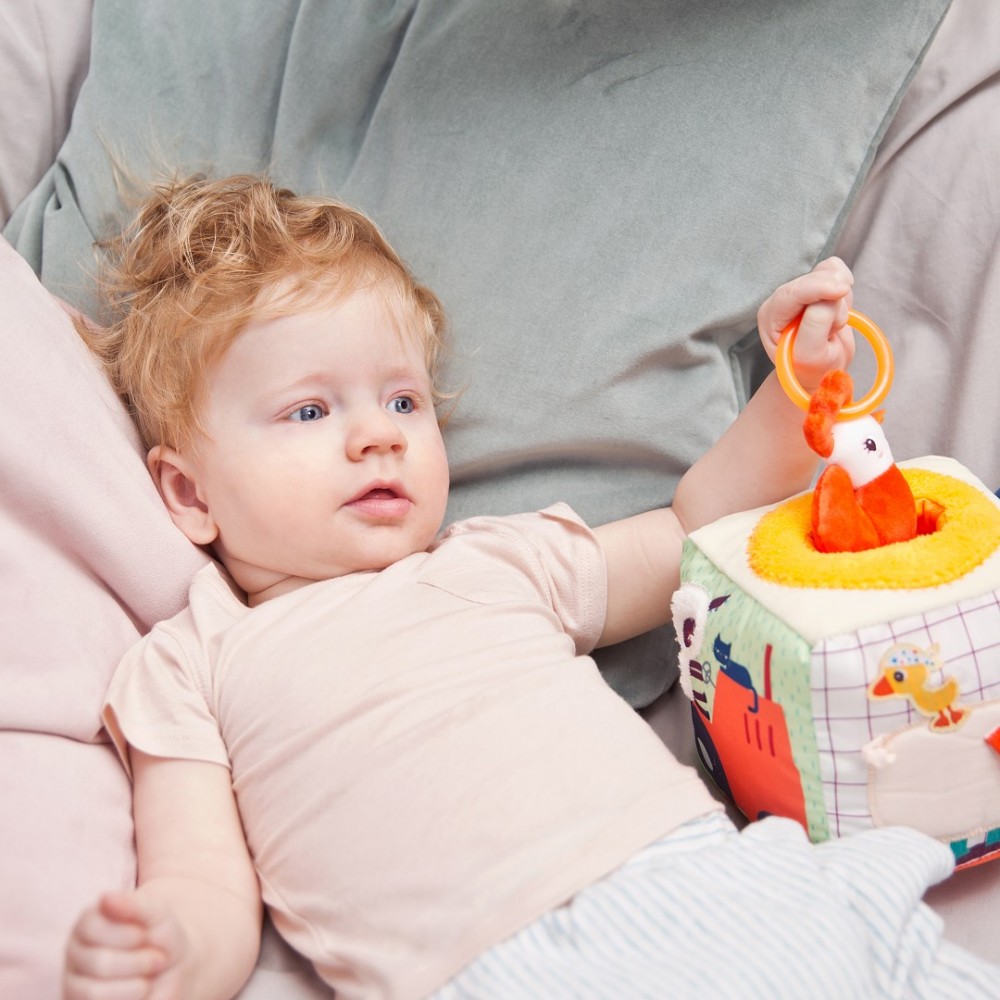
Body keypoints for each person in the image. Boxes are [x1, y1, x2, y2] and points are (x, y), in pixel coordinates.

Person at [63, 174, 999, 1000]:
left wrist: (796, 390)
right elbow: (204, 882)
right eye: (310, 410)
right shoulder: (191, 661)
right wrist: (171, 951)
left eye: (403, 400)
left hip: (706, 876)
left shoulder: (496, 560)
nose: (380, 435)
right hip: (491, 965)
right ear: (189, 495)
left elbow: (693, 531)